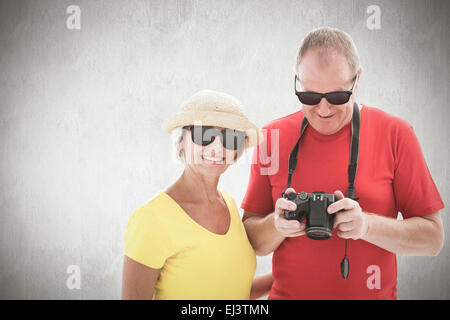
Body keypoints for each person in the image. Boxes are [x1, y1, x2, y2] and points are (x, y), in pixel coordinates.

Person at [241, 27, 445, 300]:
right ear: (297, 82)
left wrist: (366, 226)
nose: (323, 110)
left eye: (337, 97)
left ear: (357, 80)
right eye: (310, 97)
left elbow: (433, 240)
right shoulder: (271, 137)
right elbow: (252, 242)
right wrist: (276, 225)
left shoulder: (396, 134)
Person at [121, 89, 273, 299]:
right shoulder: (152, 218)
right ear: (182, 140)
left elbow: (229, 291)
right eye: (205, 135)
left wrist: (285, 275)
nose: (217, 147)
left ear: (238, 150)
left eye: (231, 138)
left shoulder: (228, 203)